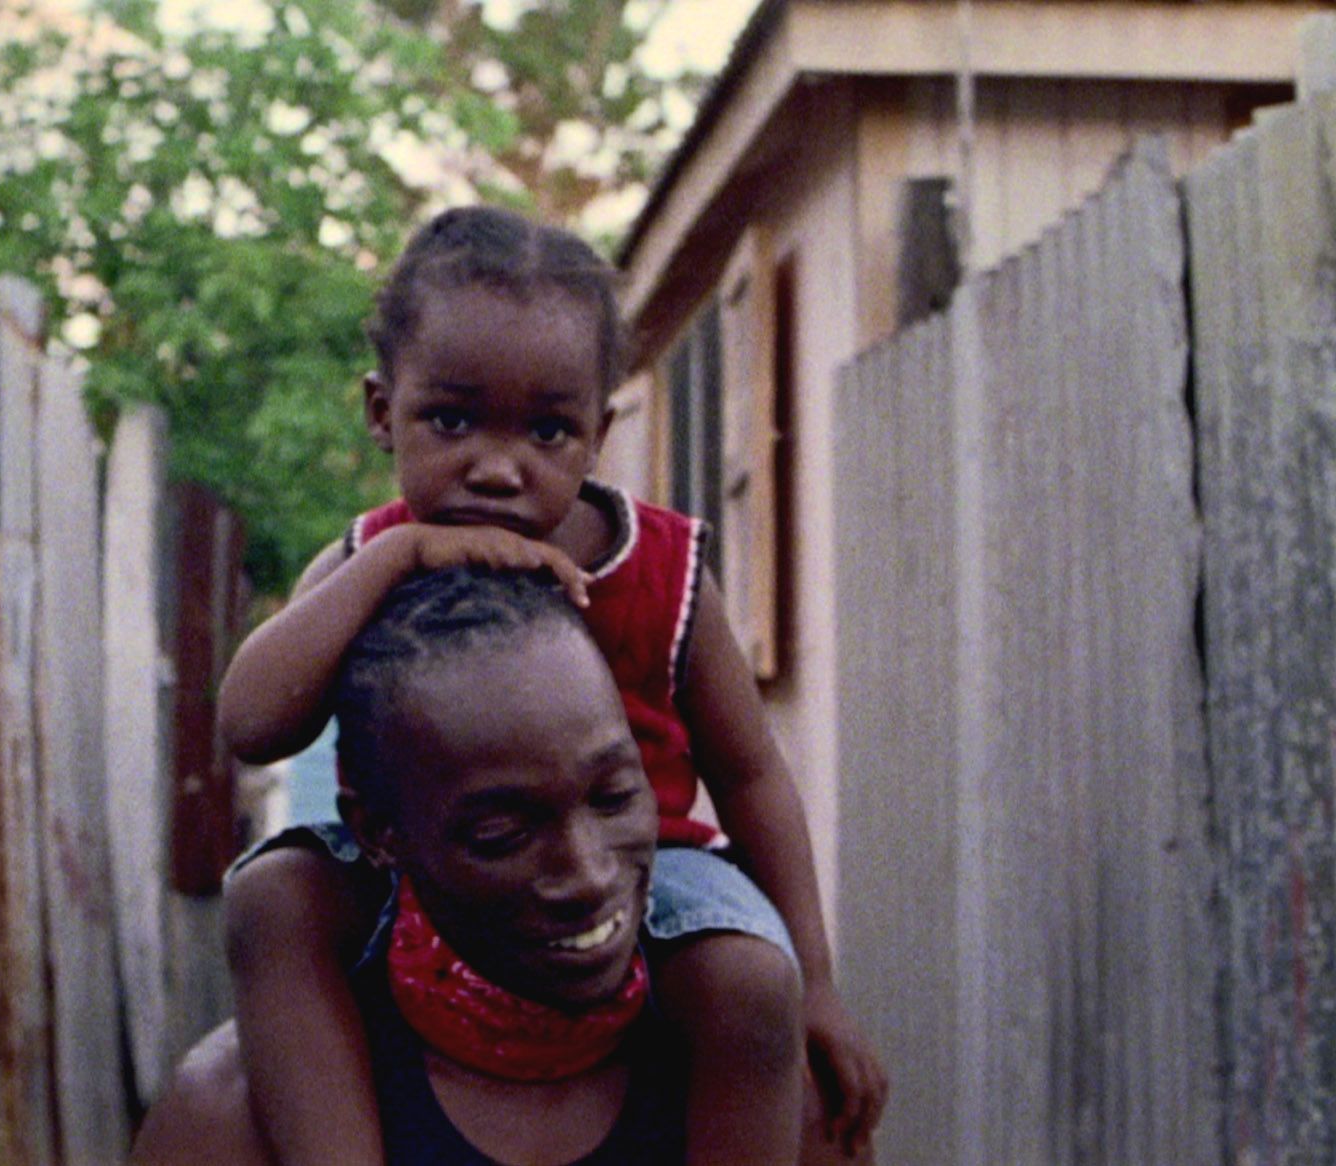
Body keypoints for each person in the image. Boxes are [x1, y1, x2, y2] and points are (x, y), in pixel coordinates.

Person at [217, 206, 887, 1165]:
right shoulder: (374, 554)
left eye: (547, 430)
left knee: (749, 984)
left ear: (598, 432)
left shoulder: (658, 568)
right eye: (450, 420)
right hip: (426, 864)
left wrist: (816, 979)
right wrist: (399, 557)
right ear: (380, 412)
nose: (496, 466)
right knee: (271, 896)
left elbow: (750, 774)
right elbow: (250, 720)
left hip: (646, 864)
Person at [136, 567, 688, 1164]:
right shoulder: (233, 1116)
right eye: (500, 835)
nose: (588, 873)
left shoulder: (736, 1075)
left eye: (614, 797)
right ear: (379, 834)